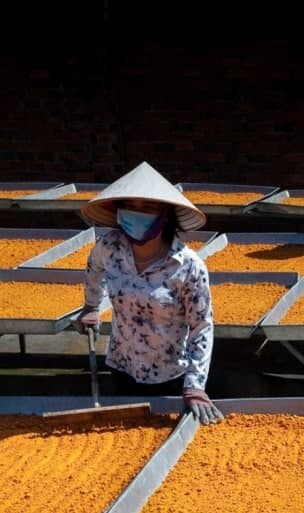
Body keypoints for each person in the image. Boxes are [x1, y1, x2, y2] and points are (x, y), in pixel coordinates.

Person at [73, 161, 223, 425]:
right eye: (130, 207)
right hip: (122, 364)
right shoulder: (109, 247)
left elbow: (202, 326)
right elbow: (93, 268)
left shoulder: (187, 266)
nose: (136, 214)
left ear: (165, 216)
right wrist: (91, 305)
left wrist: (195, 386)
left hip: (169, 375)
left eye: (148, 208)